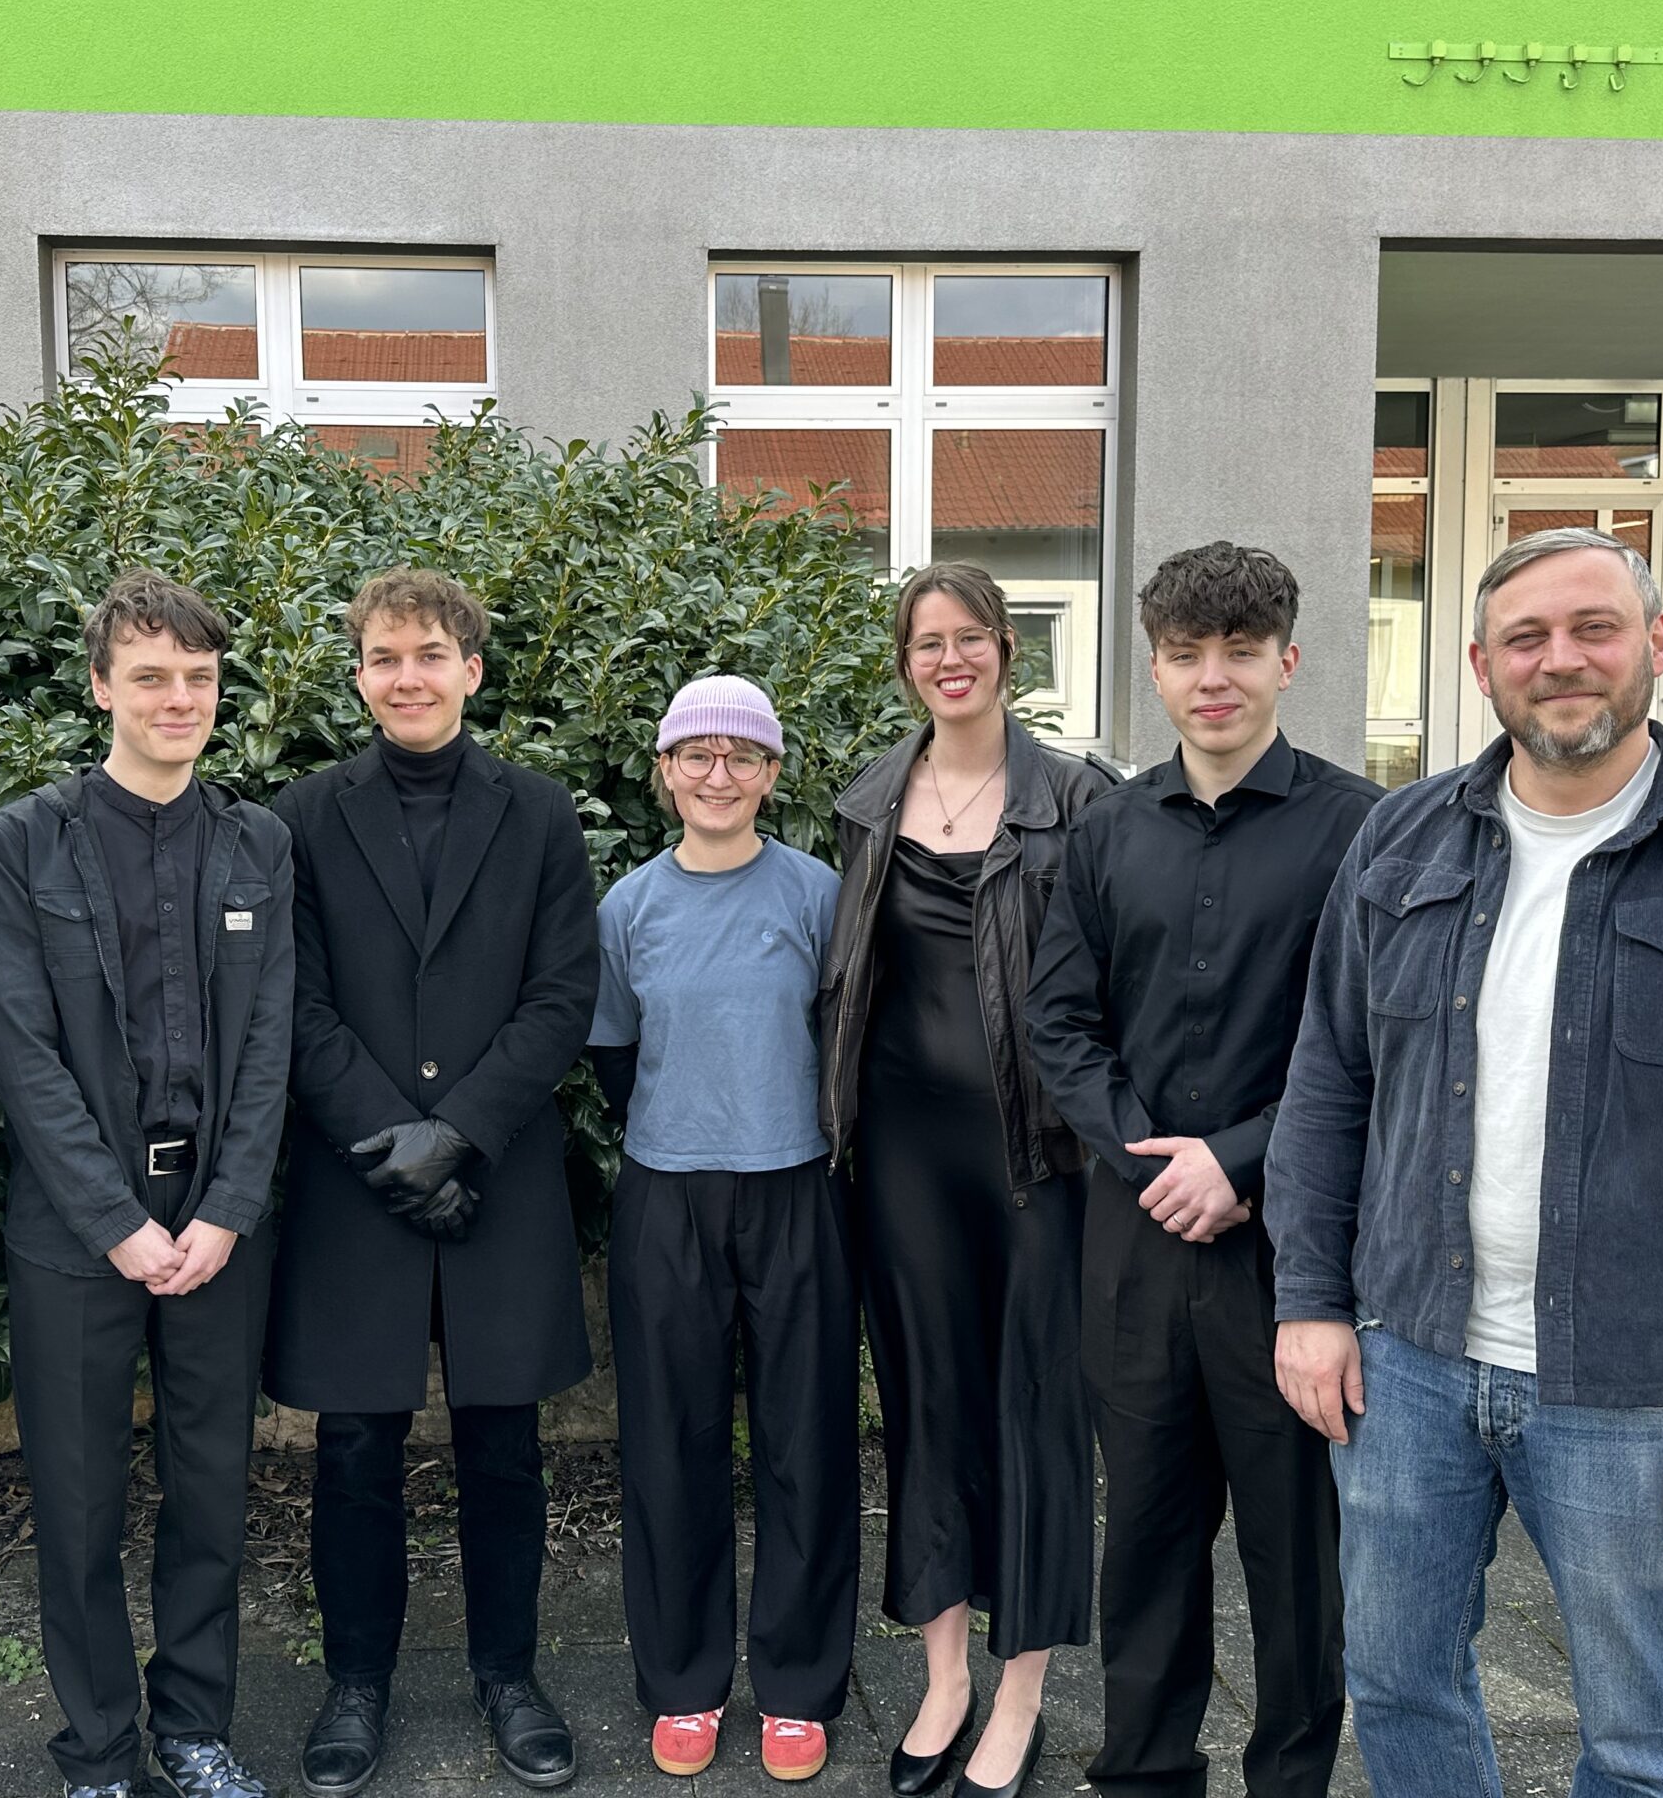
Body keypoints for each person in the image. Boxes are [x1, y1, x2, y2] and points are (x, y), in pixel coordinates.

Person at [1268, 527, 1663, 1798]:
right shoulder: (1399, 843)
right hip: (1409, 1365)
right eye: (1525, 639)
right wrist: (1309, 1300)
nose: (1560, 660)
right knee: (1397, 1683)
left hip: (1637, 1391)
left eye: (1592, 628)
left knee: (1642, 1735)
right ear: (1481, 667)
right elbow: (1327, 1087)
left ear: (1655, 644)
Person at [1025, 542, 1371, 1798]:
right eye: (1185, 655)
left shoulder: (1364, 831)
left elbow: (1376, 1044)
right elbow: (1058, 1022)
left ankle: (1291, 1780)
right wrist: (1150, 1160)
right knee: (1147, 1543)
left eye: (1238, 651)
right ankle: (1144, 1774)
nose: (1211, 678)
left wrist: (1239, 1160)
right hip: (1134, 1252)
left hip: (1295, 1260)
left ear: (1288, 660)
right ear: (1155, 669)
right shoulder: (1105, 831)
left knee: (1297, 1556)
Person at [269, 566, 600, 1797]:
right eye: (382, 658)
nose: (404, 677)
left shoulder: (541, 813)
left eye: (427, 655)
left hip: (494, 1174)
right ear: (358, 676)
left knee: (503, 1444)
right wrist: (390, 1139)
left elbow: (561, 994)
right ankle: (355, 1682)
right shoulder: (302, 816)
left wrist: (456, 1132)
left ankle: (508, 1676)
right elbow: (294, 1002)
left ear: (471, 669)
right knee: (353, 1446)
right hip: (356, 1178)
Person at [0, 571, 296, 1798]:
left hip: (217, 1228)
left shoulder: (259, 843)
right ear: (100, 686)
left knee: (211, 1490)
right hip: (74, 1232)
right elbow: (20, 1050)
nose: (178, 699)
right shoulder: (20, 843)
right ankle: (100, 1750)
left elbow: (268, 1047)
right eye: (149, 677)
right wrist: (114, 1220)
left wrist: (225, 1209)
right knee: (78, 1500)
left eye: (198, 678)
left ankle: (196, 1729)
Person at [821, 561, 1117, 1798]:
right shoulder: (866, 801)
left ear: (1005, 649)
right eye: (926, 642)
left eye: (970, 637)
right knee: (926, 1401)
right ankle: (942, 1678)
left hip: (1035, 1158)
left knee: (1034, 1411)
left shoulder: (1081, 801)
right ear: (905, 664)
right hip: (902, 1154)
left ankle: (1021, 1691)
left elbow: (1112, 984)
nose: (950, 659)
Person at [587, 676, 856, 1784]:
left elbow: (845, 1039)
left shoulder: (817, 895)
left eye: (742, 756)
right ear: (663, 773)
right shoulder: (628, 908)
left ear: (773, 775)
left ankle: (797, 1686)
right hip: (668, 1195)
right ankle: (683, 1682)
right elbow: (613, 1053)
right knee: (670, 1445)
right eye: (695, 754)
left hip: (796, 1190)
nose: (718, 775)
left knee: (806, 1445)